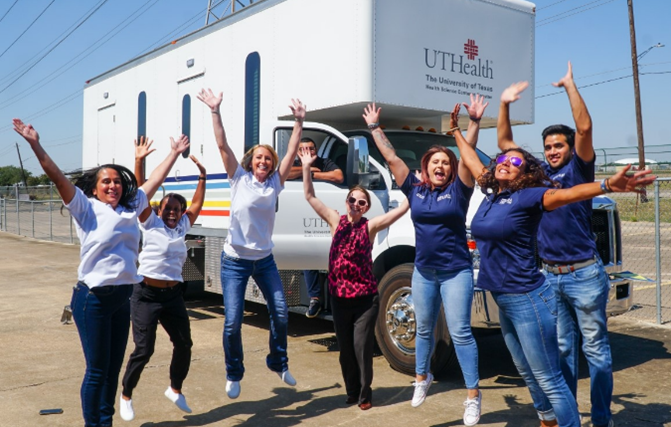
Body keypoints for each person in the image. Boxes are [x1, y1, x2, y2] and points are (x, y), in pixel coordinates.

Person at [451, 104, 655, 427]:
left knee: (551, 379)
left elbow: (570, 194)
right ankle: (548, 420)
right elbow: (473, 160)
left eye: (513, 161)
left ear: (525, 172)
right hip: (502, 298)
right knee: (526, 371)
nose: (505, 162)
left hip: (528, 298)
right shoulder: (491, 193)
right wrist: (456, 133)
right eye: (502, 160)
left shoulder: (531, 196)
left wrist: (606, 186)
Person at [13, 118, 189, 427]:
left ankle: (104, 422)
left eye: (117, 181)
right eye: (106, 182)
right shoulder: (85, 207)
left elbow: (154, 181)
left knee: (112, 368)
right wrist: (34, 143)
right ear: (95, 188)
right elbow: (55, 175)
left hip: (122, 298)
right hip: (92, 298)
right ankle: (92, 424)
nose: (113, 185)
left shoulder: (130, 207)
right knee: (96, 370)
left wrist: (174, 153)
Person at [498, 63, 614, 427]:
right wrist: (504, 106)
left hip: (584, 275)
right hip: (550, 277)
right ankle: (569, 418)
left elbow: (584, 127)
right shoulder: (538, 176)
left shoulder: (579, 170)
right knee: (563, 351)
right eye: (547, 146)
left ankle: (601, 417)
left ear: (569, 148)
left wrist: (569, 86)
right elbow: (505, 145)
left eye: (557, 145)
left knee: (596, 353)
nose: (551, 151)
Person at [362, 94, 488, 426]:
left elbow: (467, 153)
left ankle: (473, 396)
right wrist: (374, 128)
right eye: (435, 162)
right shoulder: (415, 191)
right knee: (423, 329)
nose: (441, 166)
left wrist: (472, 124)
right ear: (424, 169)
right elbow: (390, 158)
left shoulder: (460, 191)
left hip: (456, 271)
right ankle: (422, 378)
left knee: (460, 333)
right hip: (424, 272)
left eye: (445, 162)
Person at [197, 88, 305, 399]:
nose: (264, 161)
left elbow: (291, 151)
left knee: (281, 313)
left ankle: (278, 362)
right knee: (232, 323)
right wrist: (215, 111)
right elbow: (221, 144)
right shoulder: (238, 178)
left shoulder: (275, 183)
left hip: (264, 259)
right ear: (251, 161)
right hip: (235, 260)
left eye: (267, 158)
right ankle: (234, 373)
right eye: (259, 157)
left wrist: (299, 122)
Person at [299, 146, 409, 410]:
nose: (357, 205)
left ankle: (364, 394)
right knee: (345, 350)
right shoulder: (335, 220)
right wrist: (305, 167)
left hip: (364, 300)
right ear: (346, 202)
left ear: (367, 207)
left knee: (361, 346)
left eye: (362, 202)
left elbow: (398, 212)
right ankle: (351, 391)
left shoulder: (369, 226)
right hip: (338, 298)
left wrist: (412, 194)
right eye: (353, 200)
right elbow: (309, 195)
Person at [118, 144, 207, 421]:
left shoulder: (182, 226)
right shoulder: (150, 222)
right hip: (145, 294)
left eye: (177, 209)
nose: (173, 212)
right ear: (160, 207)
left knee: (184, 344)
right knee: (144, 350)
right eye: (168, 208)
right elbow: (140, 193)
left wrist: (202, 176)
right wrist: (139, 161)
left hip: (173, 297)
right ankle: (126, 395)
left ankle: (175, 389)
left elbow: (196, 204)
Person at [287, 136, 344, 318]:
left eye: (311, 149)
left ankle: (339, 297)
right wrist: (307, 167)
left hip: (325, 213)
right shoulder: (292, 164)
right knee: (308, 254)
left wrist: (311, 173)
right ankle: (315, 299)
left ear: (316, 150)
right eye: (303, 150)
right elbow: (284, 174)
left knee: (335, 255)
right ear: (297, 152)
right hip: (302, 217)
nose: (308, 153)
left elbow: (338, 176)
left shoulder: (325, 162)